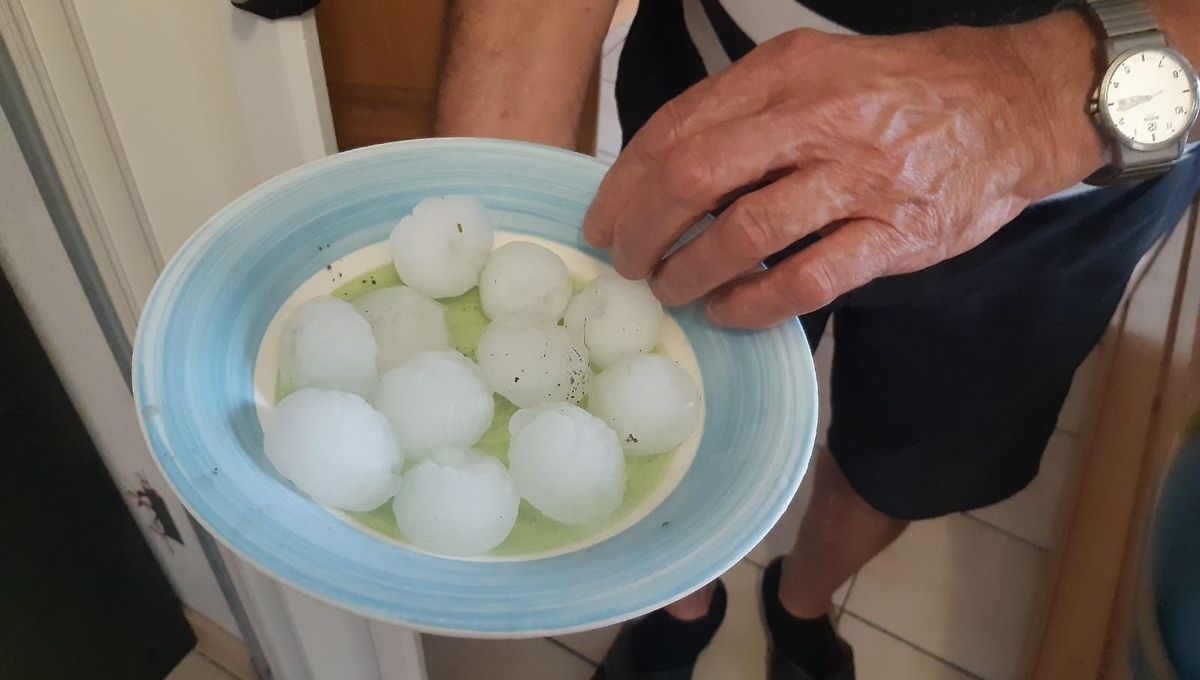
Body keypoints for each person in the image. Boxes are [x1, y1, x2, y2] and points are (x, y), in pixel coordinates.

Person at [436, 0, 1200, 678]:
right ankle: (679, 611)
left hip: (1065, 186)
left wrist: (1047, 90)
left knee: (906, 468)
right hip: (720, 119)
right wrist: (485, 228)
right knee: (669, 417)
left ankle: (800, 604)